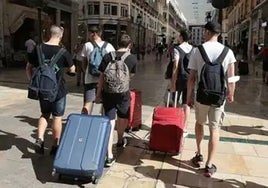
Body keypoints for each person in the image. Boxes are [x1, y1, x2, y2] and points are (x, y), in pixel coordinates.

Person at [186, 22, 236, 177]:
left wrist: (189, 96)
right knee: (214, 129)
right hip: (218, 96)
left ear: (206, 32)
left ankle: (199, 154)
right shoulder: (228, 51)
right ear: (219, 34)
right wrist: (231, 93)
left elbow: (192, 78)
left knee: (199, 123)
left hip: (202, 96)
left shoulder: (197, 50)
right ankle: (209, 164)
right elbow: (231, 78)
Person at [26, 25, 75, 155]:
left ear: (49, 34)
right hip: (58, 90)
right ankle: (55, 146)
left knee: (45, 114)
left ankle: (40, 139)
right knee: (57, 117)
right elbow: (72, 69)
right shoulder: (63, 52)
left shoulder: (38, 48)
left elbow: (29, 67)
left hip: (43, 88)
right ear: (61, 35)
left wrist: (33, 81)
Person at [95, 34, 137, 166]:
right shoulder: (132, 58)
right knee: (123, 117)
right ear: (129, 45)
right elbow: (131, 76)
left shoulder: (108, 56)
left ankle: (109, 155)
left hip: (108, 92)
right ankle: (120, 139)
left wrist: (97, 94)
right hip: (123, 93)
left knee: (110, 122)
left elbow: (101, 77)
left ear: (117, 44)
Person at [80, 25, 115, 114]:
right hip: (105, 79)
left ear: (92, 34)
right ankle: (103, 121)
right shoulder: (109, 46)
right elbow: (113, 63)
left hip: (90, 79)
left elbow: (83, 63)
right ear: (100, 33)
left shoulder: (87, 45)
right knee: (105, 104)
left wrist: (87, 71)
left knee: (87, 103)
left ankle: (85, 121)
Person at [170, 30, 193, 133]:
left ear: (181, 37)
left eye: (179, 36)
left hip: (180, 78)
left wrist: (173, 82)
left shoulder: (177, 49)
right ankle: (184, 127)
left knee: (175, 101)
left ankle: (175, 123)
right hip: (190, 79)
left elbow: (175, 66)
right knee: (186, 103)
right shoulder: (193, 49)